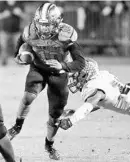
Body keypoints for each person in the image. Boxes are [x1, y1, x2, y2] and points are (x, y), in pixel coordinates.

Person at [7, 2, 85, 160]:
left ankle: (49, 145)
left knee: (55, 115)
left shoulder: (66, 34)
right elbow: (21, 41)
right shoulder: (30, 31)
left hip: (59, 73)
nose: (44, 29)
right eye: (41, 25)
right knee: (28, 97)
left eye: (48, 25)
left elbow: (80, 62)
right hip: (38, 68)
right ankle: (17, 126)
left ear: (57, 23)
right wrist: (18, 55)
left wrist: (62, 65)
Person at [0, 0, 25, 66]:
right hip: (4, 31)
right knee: (4, 47)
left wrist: (19, 13)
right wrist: (3, 14)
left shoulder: (19, 4)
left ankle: (19, 61)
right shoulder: (3, 4)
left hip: (16, 31)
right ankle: (4, 62)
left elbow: (24, 16)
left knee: (18, 47)